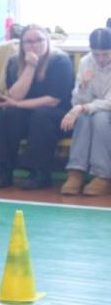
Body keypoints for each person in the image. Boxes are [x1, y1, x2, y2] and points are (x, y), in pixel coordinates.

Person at [0, 25, 74, 190]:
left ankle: (39, 172)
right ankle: (3, 169)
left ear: (47, 41)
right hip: (28, 115)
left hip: (60, 118)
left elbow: (53, 100)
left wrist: (18, 104)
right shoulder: (14, 62)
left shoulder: (60, 61)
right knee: (9, 113)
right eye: (28, 42)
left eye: (39, 40)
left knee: (41, 115)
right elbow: (15, 96)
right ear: (21, 45)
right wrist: (30, 67)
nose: (34, 45)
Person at [61, 27, 111, 195]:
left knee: (100, 118)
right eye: (96, 54)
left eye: (106, 54)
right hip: (93, 109)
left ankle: (102, 175)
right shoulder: (86, 62)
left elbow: (109, 102)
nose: (100, 59)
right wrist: (84, 85)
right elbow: (77, 101)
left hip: (106, 110)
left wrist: (83, 107)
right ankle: (75, 172)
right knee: (83, 118)